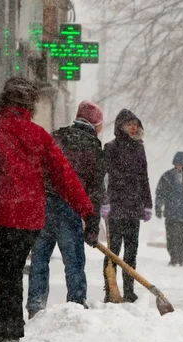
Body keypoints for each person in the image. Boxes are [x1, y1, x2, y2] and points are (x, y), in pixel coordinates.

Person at [0, 77, 94, 342]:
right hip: (28, 217)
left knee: (2, 273)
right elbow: (64, 175)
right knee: (14, 269)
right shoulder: (39, 135)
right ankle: (10, 328)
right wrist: (86, 209)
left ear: (3, 102)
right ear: (29, 104)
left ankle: (7, 328)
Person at [26, 100, 106, 319]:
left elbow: (38, 171)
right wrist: (91, 223)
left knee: (40, 258)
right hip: (71, 206)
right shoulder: (93, 147)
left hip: (45, 204)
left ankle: (35, 303)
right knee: (74, 260)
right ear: (95, 124)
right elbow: (95, 190)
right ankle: (77, 303)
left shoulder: (56, 136)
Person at [101, 109, 153, 303]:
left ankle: (129, 289)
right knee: (113, 251)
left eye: (135, 124)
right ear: (120, 127)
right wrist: (104, 201)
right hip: (115, 207)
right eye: (129, 124)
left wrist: (147, 204)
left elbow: (143, 178)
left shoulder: (140, 148)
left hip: (134, 207)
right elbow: (103, 177)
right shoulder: (111, 148)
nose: (133, 127)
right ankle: (110, 289)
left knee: (131, 251)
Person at [155, 151, 183, 267]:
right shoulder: (167, 177)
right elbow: (160, 193)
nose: (181, 166)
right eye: (179, 163)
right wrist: (158, 207)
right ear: (175, 163)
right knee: (172, 237)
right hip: (171, 213)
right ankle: (174, 257)